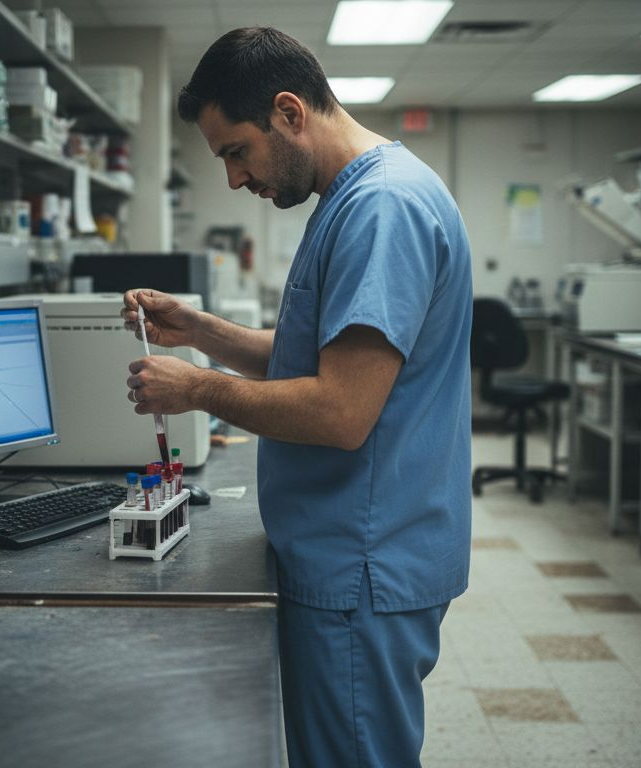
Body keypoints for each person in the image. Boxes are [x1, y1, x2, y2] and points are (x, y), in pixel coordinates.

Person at [120, 27, 472, 767]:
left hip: (361, 564)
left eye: (235, 151)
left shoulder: (381, 209)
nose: (235, 179)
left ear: (289, 111)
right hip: (356, 551)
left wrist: (198, 390)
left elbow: (342, 411)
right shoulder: (356, 196)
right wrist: (205, 332)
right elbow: (318, 354)